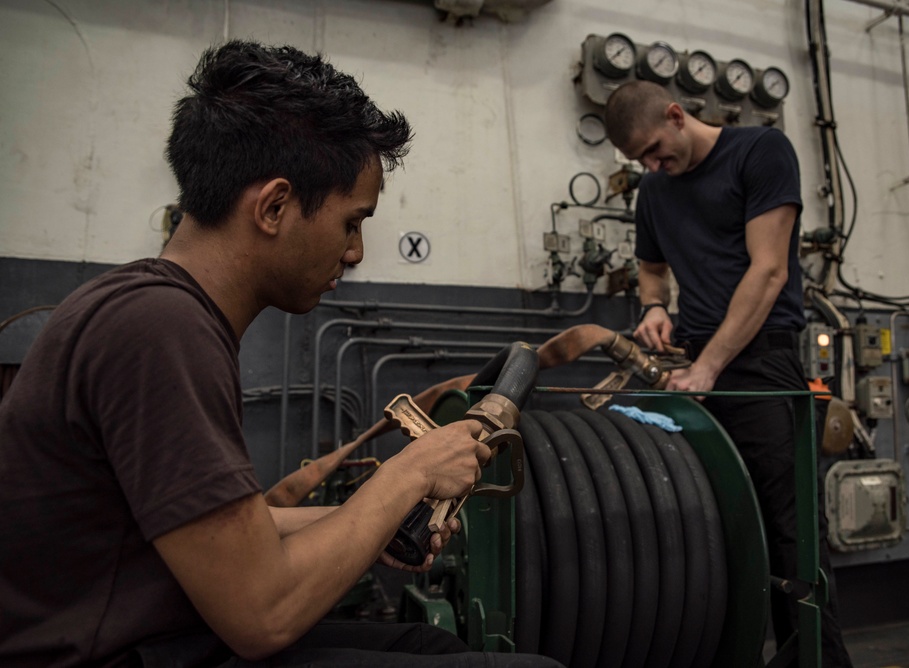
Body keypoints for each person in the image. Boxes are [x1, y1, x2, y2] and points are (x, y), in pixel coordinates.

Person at [0, 40, 561, 668]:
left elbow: (222, 537)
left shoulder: (150, 308)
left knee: (425, 644)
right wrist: (413, 472)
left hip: (156, 633)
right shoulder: (160, 328)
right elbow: (262, 616)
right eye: (352, 222)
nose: (356, 253)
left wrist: (366, 525)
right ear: (273, 207)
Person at [604, 80, 853, 667]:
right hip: (699, 369)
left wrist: (710, 367)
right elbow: (649, 269)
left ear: (677, 114)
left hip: (761, 366)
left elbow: (768, 272)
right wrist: (655, 306)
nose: (653, 165)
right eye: (641, 160)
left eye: (656, 150)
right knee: (716, 529)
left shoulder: (761, 151)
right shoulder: (654, 190)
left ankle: (817, 661)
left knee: (793, 537)